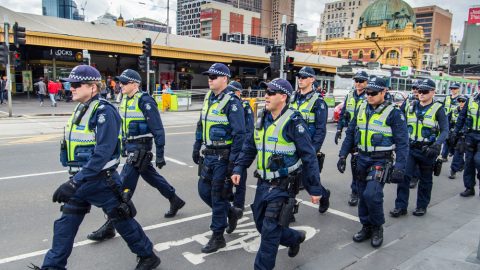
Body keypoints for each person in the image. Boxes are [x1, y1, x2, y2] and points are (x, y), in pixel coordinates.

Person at [31, 65, 160, 270]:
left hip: (101, 181)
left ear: (92, 87)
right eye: (69, 84)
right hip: (81, 180)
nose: (70, 88)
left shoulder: (104, 112)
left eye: (76, 84)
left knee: (122, 219)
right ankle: (53, 266)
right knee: (65, 225)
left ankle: (147, 256)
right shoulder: (81, 108)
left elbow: (103, 153)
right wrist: (76, 181)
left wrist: (74, 182)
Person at [231, 78, 322, 269]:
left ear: (283, 97)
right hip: (263, 183)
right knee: (260, 224)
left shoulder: (294, 121)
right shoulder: (262, 118)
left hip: (284, 185)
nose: (266, 96)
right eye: (266, 92)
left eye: (271, 93)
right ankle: (294, 238)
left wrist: (314, 188)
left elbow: (309, 156)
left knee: (270, 231)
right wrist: (239, 167)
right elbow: (249, 147)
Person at [86, 69, 185, 241]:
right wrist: (123, 146)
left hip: (141, 149)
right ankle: (174, 199)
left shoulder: (145, 100)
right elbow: (124, 126)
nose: (120, 85)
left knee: (122, 189)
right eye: (120, 82)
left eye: (124, 83)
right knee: (152, 177)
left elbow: (158, 128)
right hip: (131, 147)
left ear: (135, 84)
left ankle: (110, 226)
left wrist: (160, 154)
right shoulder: (124, 99)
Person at [338, 76, 408, 248]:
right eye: (368, 92)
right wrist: (342, 155)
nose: (369, 95)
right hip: (361, 158)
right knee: (362, 195)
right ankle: (366, 226)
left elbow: (402, 142)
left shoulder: (394, 113)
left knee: (372, 194)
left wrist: (399, 166)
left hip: (381, 159)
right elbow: (351, 133)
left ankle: (377, 227)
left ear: (384, 92)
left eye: (373, 92)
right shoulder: (362, 108)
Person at [192, 63, 246, 253]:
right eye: (209, 76)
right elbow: (201, 124)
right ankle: (230, 212)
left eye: (214, 77)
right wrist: (197, 145)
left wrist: (233, 163)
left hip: (223, 157)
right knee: (203, 190)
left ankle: (217, 237)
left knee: (217, 195)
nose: (210, 79)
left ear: (225, 79)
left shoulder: (232, 102)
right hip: (208, 154)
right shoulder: (208, 97)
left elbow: (240, 134)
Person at [391, 78, 448, 218]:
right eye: (419, 91)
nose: (421, 94)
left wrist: (437, 145)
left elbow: (445, 130)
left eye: (425, 91)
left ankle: (422, 206)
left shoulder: (438, 109)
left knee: (426, 180)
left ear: (433, 92)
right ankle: (400, 206)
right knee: (403, 177)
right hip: (410, 148)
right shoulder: (409, 105)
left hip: (428, 150)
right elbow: (398, 124)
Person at [290, 66, 330, 214]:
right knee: (289, 179)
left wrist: (313, 150)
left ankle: (324, 196)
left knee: (308, 181)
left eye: (304, 77)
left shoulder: (318, 102)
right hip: (290, 146)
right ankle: (289, 210)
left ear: (312, 79)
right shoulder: (292, 98)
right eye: (299, 77)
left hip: (307, 147)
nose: (300, 79)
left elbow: (321, 129)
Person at [335, 71, 368, 207]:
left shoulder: (370, 96)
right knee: (354, 165)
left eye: (361, 81)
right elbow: (343, 114)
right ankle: (355, 191)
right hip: (351, 133)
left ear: (366, 82)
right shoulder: (350, 95)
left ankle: (362, 189)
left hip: (364, 135)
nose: (358, 83)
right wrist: (338, 129)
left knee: (363, 165)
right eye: (356, 81)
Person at [226, 81, 254, 216]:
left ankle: (239, 205)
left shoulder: (244, 106)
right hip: (229, 147)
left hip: (241, 147)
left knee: (240, 179)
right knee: (228, 177)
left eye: (232, 91)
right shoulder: (227, 103)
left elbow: (249, 130)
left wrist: (244, 148)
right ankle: (229, 198)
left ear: (238, 92)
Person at [452, 88, 480, 197]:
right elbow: (462, 116)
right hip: (470, 135)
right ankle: (469, 188)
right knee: (469, 163)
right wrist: (455, 131)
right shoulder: (471, 99)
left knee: (478, 160)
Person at [400, 81, 421, 189]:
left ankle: (415, 177)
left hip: (421, 137)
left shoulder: (425, 102)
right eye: (413, 88)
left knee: (417, 160)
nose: (415, 90)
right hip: (408, 134)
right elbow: (401, 113)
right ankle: (407, 176)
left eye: (417, 88)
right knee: (408, 158)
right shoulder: (408, 101)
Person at [441, 83, 461, 162]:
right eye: (451, 88)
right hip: (447, 121)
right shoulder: (447, 98)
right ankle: (444, 156)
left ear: (458, 89)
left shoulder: (461, 98)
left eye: (455, 88)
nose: (453, 90)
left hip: (457, 122)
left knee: (455, 140)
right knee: (446, 138)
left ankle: (452, 152)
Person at [448, 94, 467, 179]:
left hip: (464, 136)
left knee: (458, 151)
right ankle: (462, 164)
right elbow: (449, 120)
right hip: (454, 134)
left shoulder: (469, 112)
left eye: (463, 101)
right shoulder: (454, 110)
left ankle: (453, 170)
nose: (461, 103)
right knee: (452, 151)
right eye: (460, 101)